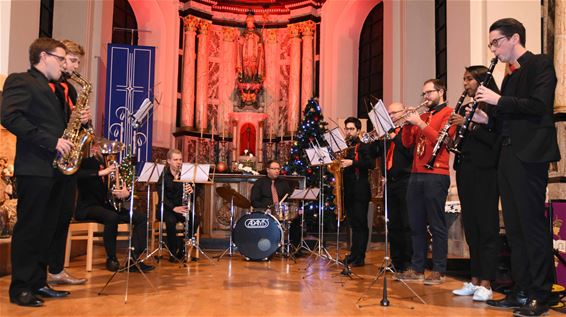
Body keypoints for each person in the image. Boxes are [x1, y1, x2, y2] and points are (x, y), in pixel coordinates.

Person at [475, 18, 560, 317]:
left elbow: (539, 106)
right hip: (508, 156)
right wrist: (487, 119)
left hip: (531, 155)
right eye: (491, 44)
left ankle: (541, 292)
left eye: (496, 42)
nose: (494, 49)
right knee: (513, 228)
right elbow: (506, 119)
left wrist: (499, 100)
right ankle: (522, 289)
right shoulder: (510, 78)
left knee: (532, 226)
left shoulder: (540, 65)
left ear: (514, 38)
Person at [1, 37, 87, 307]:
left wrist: (81, 122)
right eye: (61, 58)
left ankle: (39, 281)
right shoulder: (20, 81)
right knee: (30, 228)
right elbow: (9, 117)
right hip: (36, 167)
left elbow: (63, 125)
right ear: (43, 56)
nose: (64, 64)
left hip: (59, 170)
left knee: (48, 228)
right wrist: (50, 142)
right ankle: (21, 288)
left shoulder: (60, 90)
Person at [449, 66, 500, 302]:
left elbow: (494, 141)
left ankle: (487, 282)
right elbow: (465, 139)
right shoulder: (464, 107)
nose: (465, 83)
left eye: (469, 79)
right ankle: (475, 278)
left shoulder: (494, 106)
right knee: (471, 227)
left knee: (486, 226)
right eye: (464, 78)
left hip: (486, 171)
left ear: (482, 81)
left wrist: (469, 126)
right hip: (466, 170)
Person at [396, 79, 453, 285]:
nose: (426, 97)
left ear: (441, 92)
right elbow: (407, 144)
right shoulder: (423, 115)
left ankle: (439, 270)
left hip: (437, 173)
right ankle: (417, 268)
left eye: (429, 93)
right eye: (424, 94)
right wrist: (407, 125)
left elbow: (444, 140)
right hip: (416, 173)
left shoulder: (449, 114)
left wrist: (420, 123)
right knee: (416, 224)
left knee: (437, 224)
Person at [46, 39, 88, 286]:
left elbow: (80, 127)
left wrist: (85, 120)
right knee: (49, 217)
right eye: (73, 61)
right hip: (50, 159)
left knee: (63, 217)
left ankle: (57, 269)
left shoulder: (71, 90)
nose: (75, 66)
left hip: (69, 162)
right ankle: (40, 272)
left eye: (78, 62)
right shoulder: (46, 86)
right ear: (60, 59)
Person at [75, 146, 154, 273]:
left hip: (107, 207)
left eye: (113, 152)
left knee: (141, 217)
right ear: (95, 149)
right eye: (106, 151)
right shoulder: (87, 162)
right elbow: (77, 175)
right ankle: (111, 258)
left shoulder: (113, 168)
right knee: (112, 217)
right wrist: (101, 172)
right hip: (89, 206)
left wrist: (125, 194)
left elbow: (115, 191)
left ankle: (134, 259)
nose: (111, 154)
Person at [378, 103, 414, 273]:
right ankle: (396, 261)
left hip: (406, 180)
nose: (391, 116)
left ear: (403, 112)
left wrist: (394, 136)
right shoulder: (390, 135)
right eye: (389, 113)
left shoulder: (408, 129)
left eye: (394, 113)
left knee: (406, 223)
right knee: (393, 225)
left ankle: (408, 263)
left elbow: (409, 153)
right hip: (390, 182)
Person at [341, 117, 376, 267]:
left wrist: (352, 162)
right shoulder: (346, 144)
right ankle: (354, 253)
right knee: (353, 223)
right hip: (348, 187)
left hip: (360, 187)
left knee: (360, 223)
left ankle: (360, 257)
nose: (348, 131)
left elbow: (370, 164)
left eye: (351, 129)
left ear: (358, 129)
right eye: (347, 129)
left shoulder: (364, 143)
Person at [156, 149, 200, 262]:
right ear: (169, 161)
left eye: (180, 159)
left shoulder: (186, 175)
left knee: (194, 219)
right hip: (167, 208)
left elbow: (195, 194)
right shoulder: (163, 175)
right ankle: (172, 252)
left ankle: (182, 247)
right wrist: (173, 208)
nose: (179, 162)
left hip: (181, 208)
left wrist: (192, 190)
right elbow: (162, 197)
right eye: (176, 160)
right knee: (170, 221)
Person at [250, 159, 301, 251]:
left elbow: (288, 199)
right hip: (266, 212)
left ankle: (295, 249)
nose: (277, 171)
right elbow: (254, 201)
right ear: (268, 170)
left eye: (278, 169)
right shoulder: (259, 183)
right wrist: (266, 208)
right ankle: (266, 248)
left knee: (296, 219)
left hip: (281, 212)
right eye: (274, 169)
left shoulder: (283, 183)